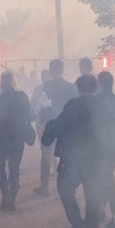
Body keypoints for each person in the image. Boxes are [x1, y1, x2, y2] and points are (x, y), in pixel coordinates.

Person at [42, 75, 109, 228]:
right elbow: (112, 132)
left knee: (65, 190)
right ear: (96, 88)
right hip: (96, 159)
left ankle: (79, 227)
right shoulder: (102, 106)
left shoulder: (73, 105)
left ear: (78, 88)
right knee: (93, 196)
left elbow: (60, 124)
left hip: (73, 159)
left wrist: (49, 130)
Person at [0, 71, 32, 211]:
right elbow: (29, 115)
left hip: (0, 138)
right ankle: (12, 197)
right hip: (17, 137)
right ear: (14, 82)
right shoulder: (22, 96)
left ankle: (6, 195)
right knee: (14, 167)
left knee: (0, 167)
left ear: (1, 83)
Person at [35, 59, 78, 197]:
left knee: (46, 156)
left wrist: (41, 120)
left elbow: (41, 105)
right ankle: (66, 188)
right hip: (66, 125)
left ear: (51, 70)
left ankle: (45, 186)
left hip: (50, 124)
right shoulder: (70, 87)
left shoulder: (47, 86)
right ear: (62, 70)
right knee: (66, 157)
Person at [95, 71, 115, 228]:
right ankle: (101, 209)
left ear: (100, 84)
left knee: (106, 178)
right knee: (106, 176)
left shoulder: (96, 101)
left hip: (102, 146)